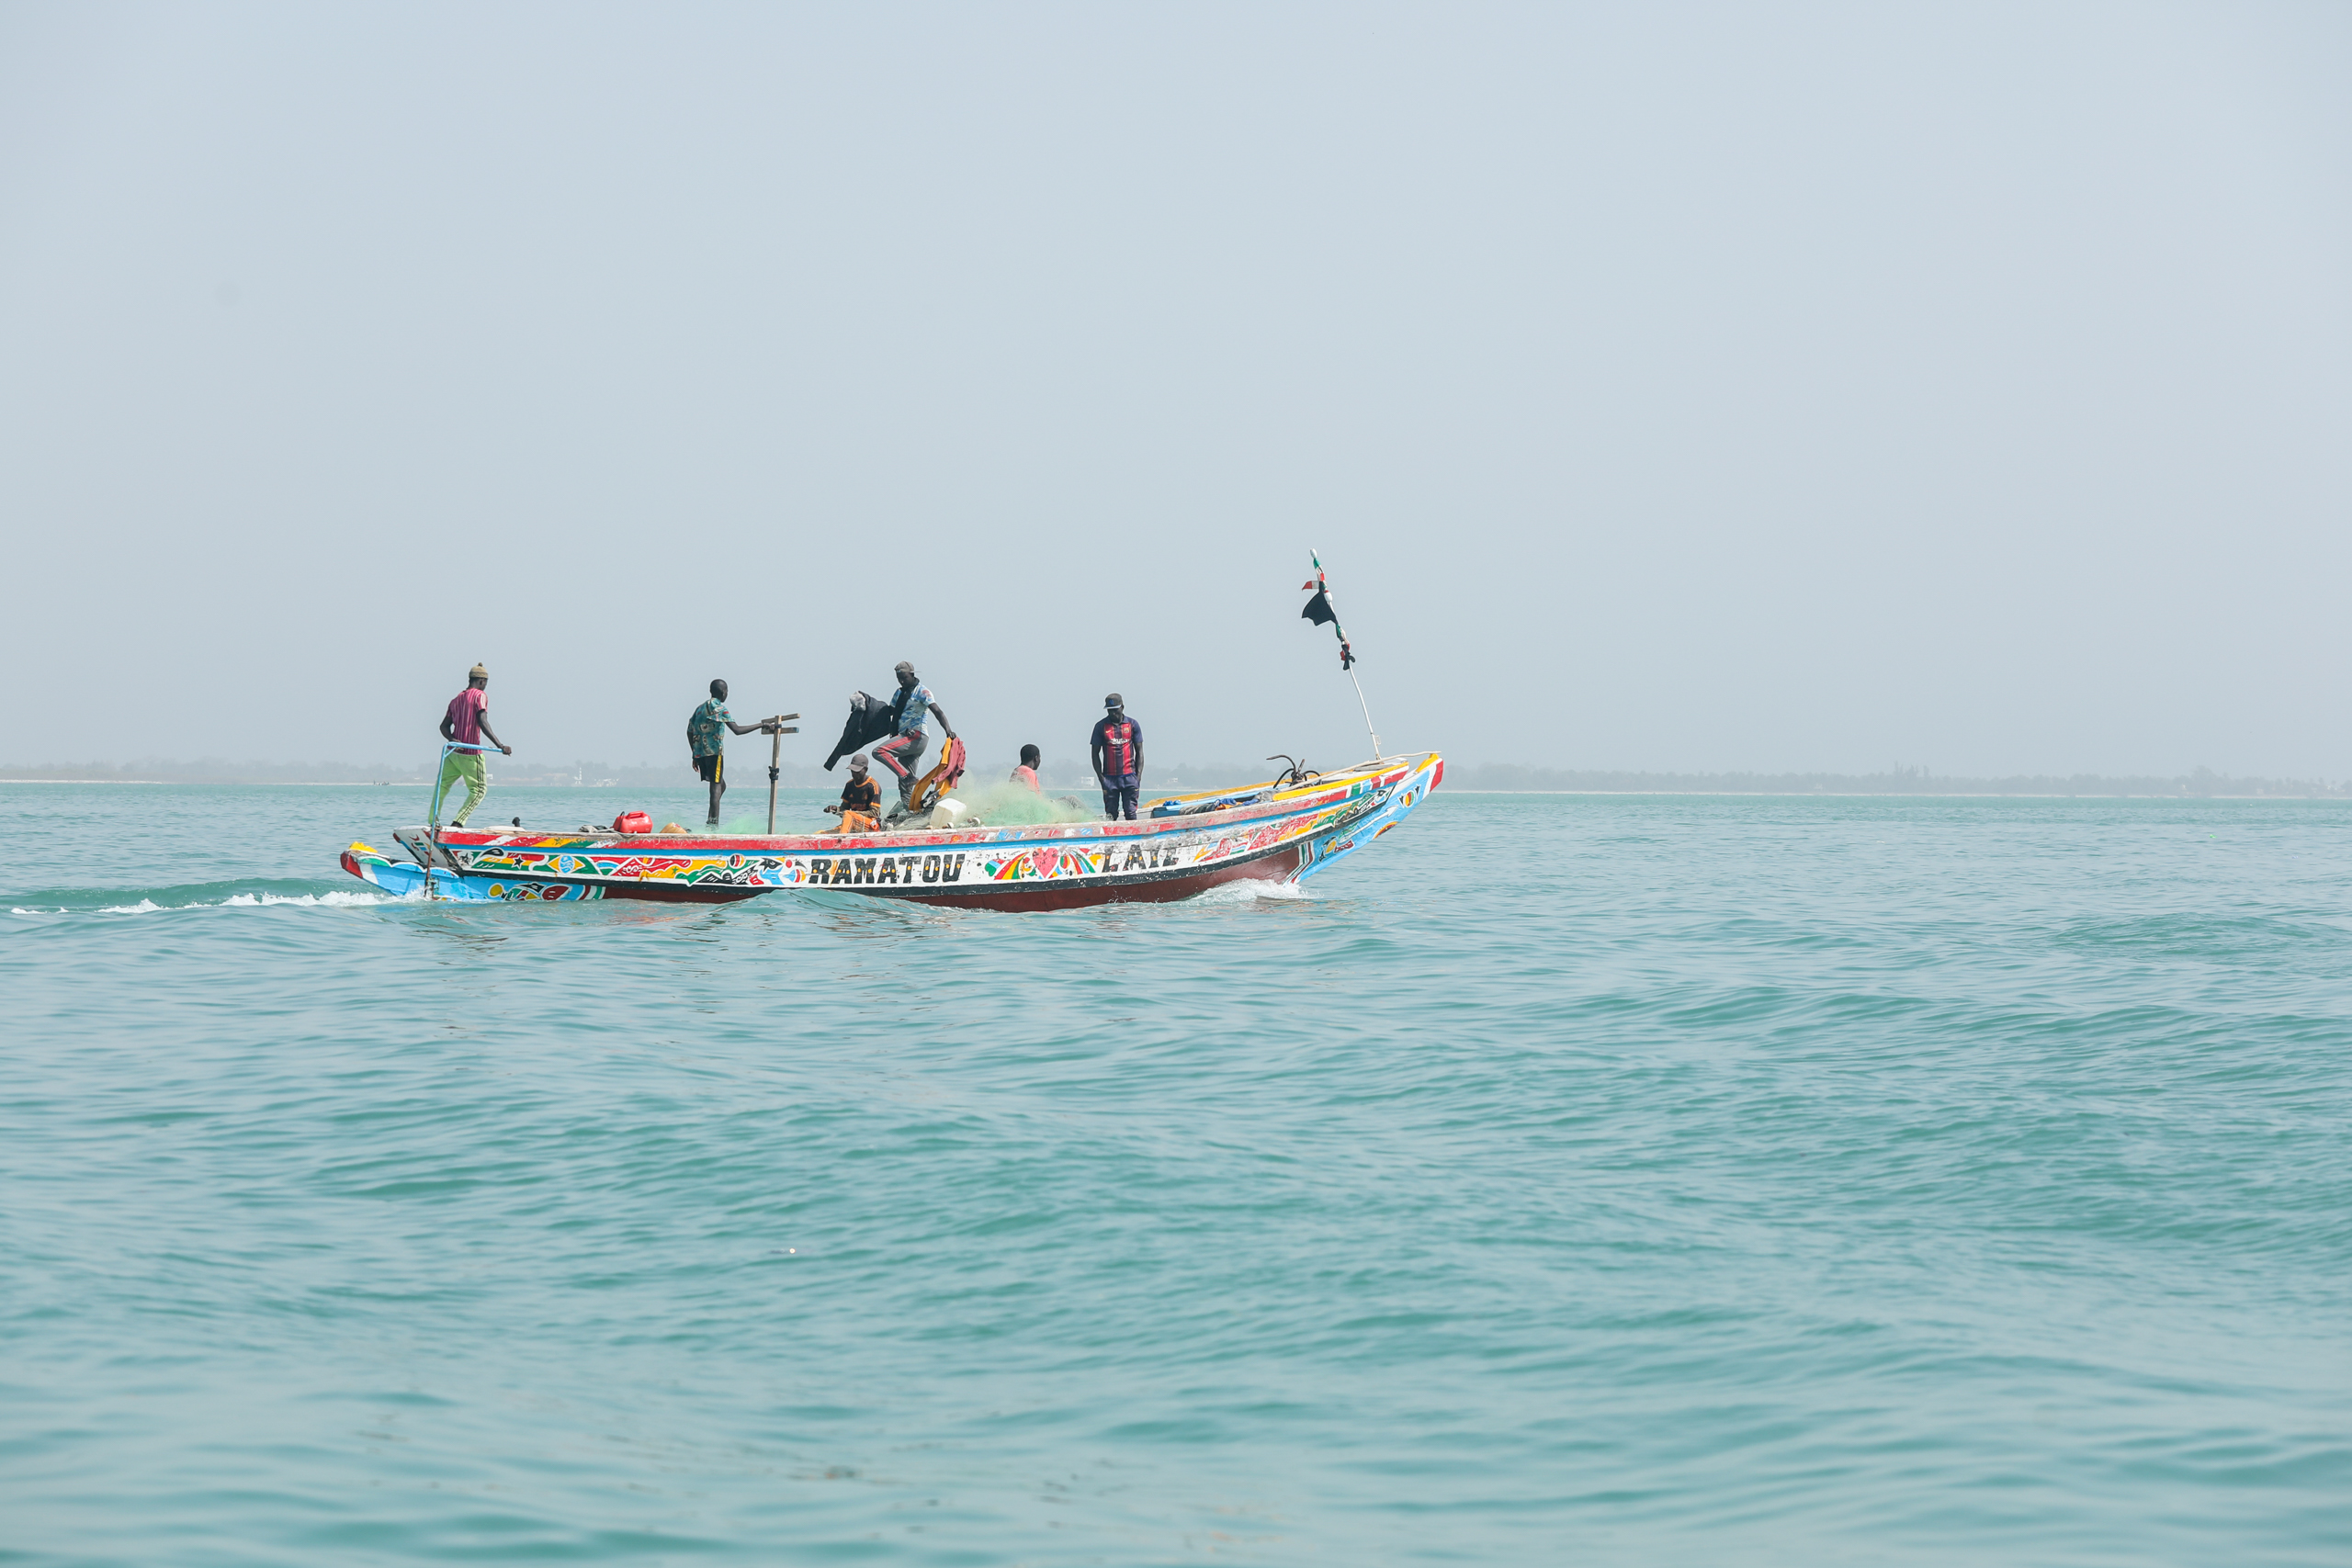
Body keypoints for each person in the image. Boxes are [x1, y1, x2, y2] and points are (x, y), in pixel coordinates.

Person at [687, 678, 779, 828]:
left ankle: (710, 819)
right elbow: (737, 730)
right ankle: (713, 827)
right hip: (715, 753)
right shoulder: (720, 709)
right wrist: (762, 725)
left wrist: (694, 754)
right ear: (723, 693)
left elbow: (689, 731)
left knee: (721, 785)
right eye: (727, 691)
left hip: (701, 754)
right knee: (716, 787)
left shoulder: (699, 709)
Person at [872, 660, 957, 815]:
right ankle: (914, 813)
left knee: (879, 751)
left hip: (916, 737)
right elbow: (890, 711)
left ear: (912, 675)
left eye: (904, 677)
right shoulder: (899, 693)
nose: (901, 681)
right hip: (904, 738)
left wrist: (948, 730)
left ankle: (907, 776)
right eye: (899, 678)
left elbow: (938, 712)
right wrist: (868, 707)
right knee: (904, 787)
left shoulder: (922, 692)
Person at [435, 662, 511, 827]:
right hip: (470, 753)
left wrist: (452, 739)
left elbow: (443, 726)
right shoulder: (480, 696)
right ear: (482, 681)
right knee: (479, 791)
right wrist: (500, 745)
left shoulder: (456, 699)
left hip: (452, 753)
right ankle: (458, 823)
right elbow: (482, 721)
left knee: (442, 787)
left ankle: (433, 821)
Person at [1090, 694, 1144, 821]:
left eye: (1115, 710)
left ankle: (1132, 838)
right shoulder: (1100, 726)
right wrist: (1101, 777)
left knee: (1130, 812)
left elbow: (1139, 752)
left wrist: (1138, 776)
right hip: (1109, 778)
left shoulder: (1132, 725)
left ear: (1122, 708)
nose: (1113, 713)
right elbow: (1094, 753)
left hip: (1130, 777)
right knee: (1111, 814)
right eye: (1110, 710)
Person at [831, 753, 883, 831]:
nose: (854, 773)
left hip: (871, 825)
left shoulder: (872, 785)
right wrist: (836, 810)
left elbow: (875, 813)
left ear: (865, 770)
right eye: (852, 771)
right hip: (854, 821)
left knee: (848, 814)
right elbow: (844, 808)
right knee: (824, 833)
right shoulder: (849, 785)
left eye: (857, 771)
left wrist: (853, 815)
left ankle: (842, 840)